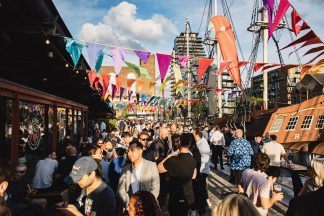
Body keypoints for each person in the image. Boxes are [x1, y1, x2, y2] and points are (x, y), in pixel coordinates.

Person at [158, 133, 197, 216]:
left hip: (176, 196)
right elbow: (194, 176)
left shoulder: (173, 160)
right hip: (189, 196)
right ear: (189, 144)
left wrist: (169, 155)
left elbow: (159, 168)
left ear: (179, 142)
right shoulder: (192, 159)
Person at [118, 142, 160, 209]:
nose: (129, 154)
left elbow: (155, 188)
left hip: (148, 207)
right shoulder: (125, 169)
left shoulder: (151, 166)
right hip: (131, 208)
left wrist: (147, 203)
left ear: (140, 151)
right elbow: (121, 189)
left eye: (132, 150)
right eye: (128, 151)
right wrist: (129, 203)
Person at [194, 129, 211, 215]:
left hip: (202, 170)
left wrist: (196, 161)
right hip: (200, 169)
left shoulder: (203, 143)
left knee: (201, 189)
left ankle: (202, 207)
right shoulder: (199, 142)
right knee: (201, 189)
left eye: (194, 134)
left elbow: (206, 157)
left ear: (197, 135)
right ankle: (201, 205)